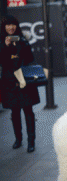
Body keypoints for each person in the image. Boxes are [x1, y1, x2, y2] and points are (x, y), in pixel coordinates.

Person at [0, 15, 40, 153]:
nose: (11, 27)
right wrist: (5, 46)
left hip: (24, 81)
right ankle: (18, 139)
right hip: (9, 82)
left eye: (13, 25)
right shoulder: (2, 42)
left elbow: (30, 58)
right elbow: (3, 62)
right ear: (4, 27)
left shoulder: (23, 40)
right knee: (15, 111)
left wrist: (22, 46)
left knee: (28, 110)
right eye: (8, 25)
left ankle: (31, 142)